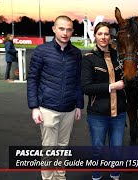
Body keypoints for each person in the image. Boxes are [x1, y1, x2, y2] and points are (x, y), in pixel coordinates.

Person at [27, 15, 84, 180]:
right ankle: (48, 178)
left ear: (72, 31)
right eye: (61, 28)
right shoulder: (41, 51)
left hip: (69, 109)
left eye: (68, 29)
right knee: (49, 148)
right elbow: (32, 79)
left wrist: (79, 105)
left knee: (63, 147)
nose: (65, 33)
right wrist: (34, 107)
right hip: (47, 109)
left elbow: (78, 81)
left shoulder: (76, 53)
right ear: (54, 29)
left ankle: (60, 177)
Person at [81, 22, 126, 180]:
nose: (103, 37)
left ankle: (115, 175)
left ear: (110, 36)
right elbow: (86, 87)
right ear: (95, 36)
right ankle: (96, 175)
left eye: (106, 34)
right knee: (98, 149)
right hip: (98, 114)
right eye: (100, 34)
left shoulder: (118, 56)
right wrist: (112, 86)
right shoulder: (88, 59)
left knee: (117, 149)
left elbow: (127, 78)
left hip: (119, 113)